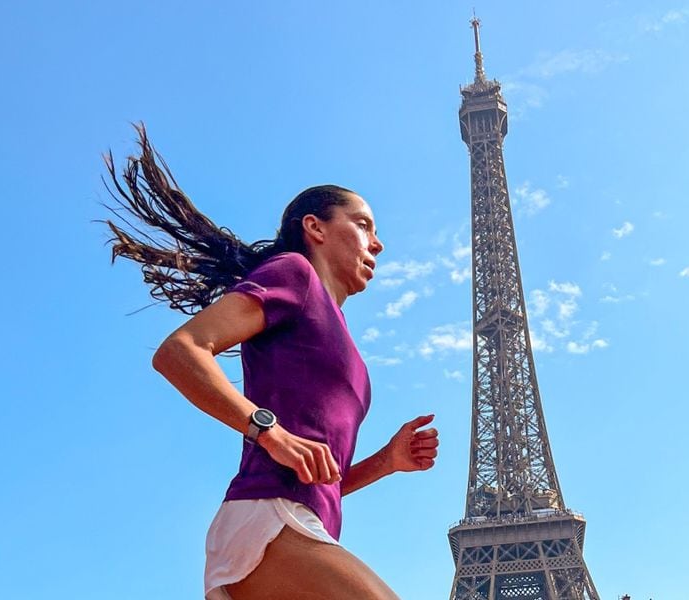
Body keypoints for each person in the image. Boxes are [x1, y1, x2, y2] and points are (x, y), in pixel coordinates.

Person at [104, 125, 440, 600]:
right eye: (363, 224)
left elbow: (319, 479)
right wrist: (269, 430)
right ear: (315, 227)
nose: (377, 242)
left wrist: (386, 461)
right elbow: (180, 351)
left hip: (299, 524)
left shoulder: (348, 350)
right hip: (267, 521)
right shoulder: (295, 276)